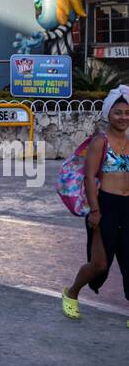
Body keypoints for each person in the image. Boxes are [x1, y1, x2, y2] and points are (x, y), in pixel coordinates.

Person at [62, 86, 129, 320]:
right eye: (118, 112)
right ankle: (72, 292)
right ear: (108, 113)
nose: (123, 117)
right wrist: (95, 210)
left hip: (128, 207)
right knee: (99, 264)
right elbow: (89, 177)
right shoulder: (100, 142)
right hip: (105, 206)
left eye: (127, 112)